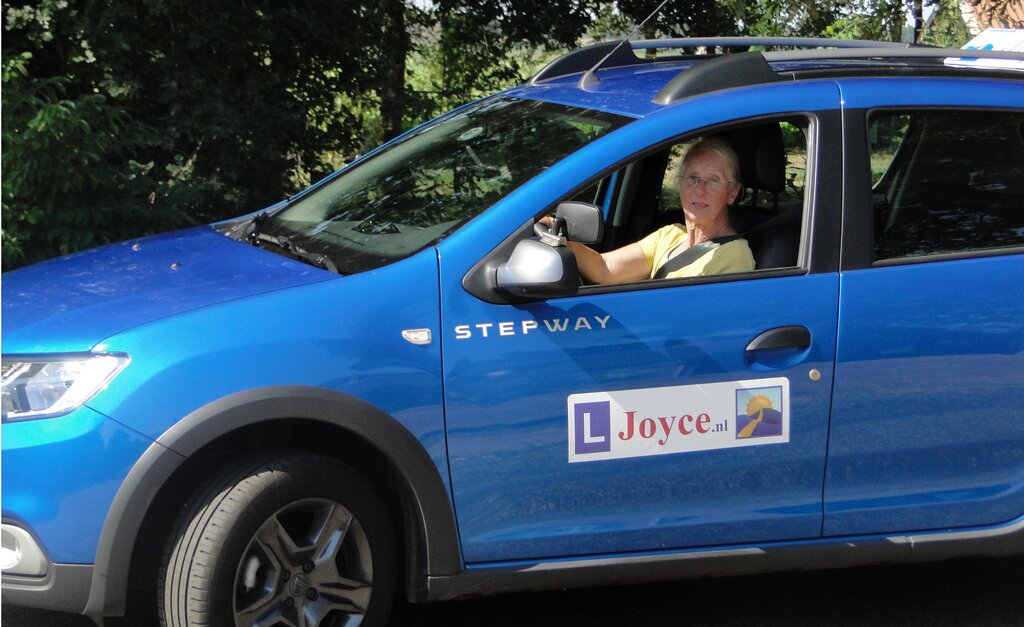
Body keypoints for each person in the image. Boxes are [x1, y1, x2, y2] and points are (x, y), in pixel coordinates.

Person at [554, 137, 755, 284]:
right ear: (680, 185)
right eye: (693, 178)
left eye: (713, 180)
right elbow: (604, 268)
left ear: (732, 193)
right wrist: (557, 235)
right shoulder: (670, 235)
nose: (699, 190)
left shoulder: (734, 255)